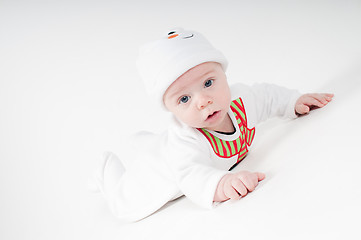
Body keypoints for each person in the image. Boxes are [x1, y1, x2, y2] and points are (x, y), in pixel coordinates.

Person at [90, 28, 333, 222]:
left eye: (208, 83)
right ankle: (107, 173)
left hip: (166, 147)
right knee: (125, 203)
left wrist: (293, 101)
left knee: (155, 144)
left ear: (224, 75)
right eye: (184, 99)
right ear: (171, 110)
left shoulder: (241, 100)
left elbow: (267, 96)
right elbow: (191, 176)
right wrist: (222, 184)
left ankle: (145, 141)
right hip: (162, 172)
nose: (203, 101)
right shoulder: (185, 140)